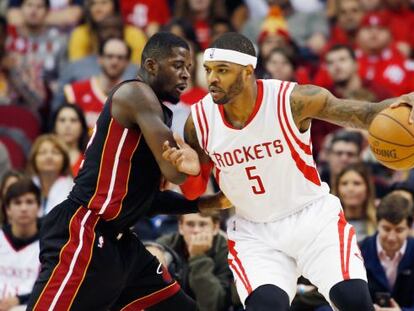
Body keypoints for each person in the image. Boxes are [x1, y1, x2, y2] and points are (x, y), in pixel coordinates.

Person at [162, 32, 414, 311]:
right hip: (256, 232)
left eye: (222, 70)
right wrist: (190, 172)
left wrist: (400, 103)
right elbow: (196, 193)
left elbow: (365, 113)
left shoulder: (292, 100)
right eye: (208, 70)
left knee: (355, 303)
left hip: (313, 219)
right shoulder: (198, 122)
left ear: (247, 72)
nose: (212, 79)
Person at [26, 32, 230, 311]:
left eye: (188, 69)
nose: (185, 75)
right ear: (151, 66)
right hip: (85, 229)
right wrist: (197, 162)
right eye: (177, 65)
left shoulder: (159, 113)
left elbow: (145, 200)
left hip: (121, 243)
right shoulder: (136, 94)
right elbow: (175, 172)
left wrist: (205, 202)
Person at [157, 212, 234, 311]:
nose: (196, 230)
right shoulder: (166, 245)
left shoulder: (228, 252)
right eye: (190, 224)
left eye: (203, 224)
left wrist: (198, 257)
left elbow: (213, 305)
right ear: (180, 227)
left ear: (215, 228)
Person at [360, 192, 414, 311]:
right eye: (386, 229)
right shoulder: (359, 251)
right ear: (377, 224)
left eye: (399, 230)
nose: (391, 237)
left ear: (410, 228)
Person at [0, 178, 41, 310]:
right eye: (17, 203)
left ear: (39, 207)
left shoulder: (48, 244)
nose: (24, 208)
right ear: (7, 209)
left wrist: (18, 299)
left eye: (29, 202)